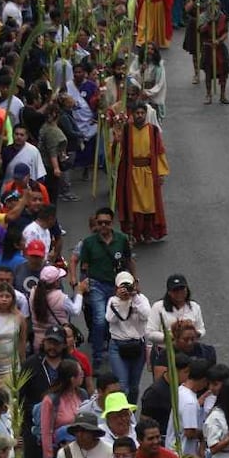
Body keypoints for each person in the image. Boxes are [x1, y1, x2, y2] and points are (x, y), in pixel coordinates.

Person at [76, 206, 135, 372]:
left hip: (117, 284)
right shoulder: (88, 243)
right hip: (97, 285)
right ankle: (97, 356)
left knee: (118, 318)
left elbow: (129, 260)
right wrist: (83, 284)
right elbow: (84, 266)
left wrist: (134, 280)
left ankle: (116, 348)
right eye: (100, 223)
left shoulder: (121, 239)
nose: (103, 226)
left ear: (112, 223)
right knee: (100, 320)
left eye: (106, 223)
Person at [115, 102, 170, 245]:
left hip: (148, 173)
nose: (140, 116)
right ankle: (133, 235)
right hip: (132, 174)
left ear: (146, 114)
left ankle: (147, 233)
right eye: (137, 113)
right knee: (133, 205)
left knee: (149, 205)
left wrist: (161, 173)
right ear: (132, 114)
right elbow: (119, 152)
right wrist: (116, 141)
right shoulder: (127, 130)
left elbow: (159, 151)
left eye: (142, 113)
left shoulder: (153, 130)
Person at [105, 271, 151, 403]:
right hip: (118, 347)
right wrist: (121, 302)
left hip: (137, 346)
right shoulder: (113, 301)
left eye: (128, 286)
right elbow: (110, 318)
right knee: (123, 386)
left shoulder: (141, 299)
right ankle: (123, 413)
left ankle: (131, 415)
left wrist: (134, 298)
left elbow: (147, 315)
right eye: (122, 286)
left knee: (134, 387)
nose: (126, 289)